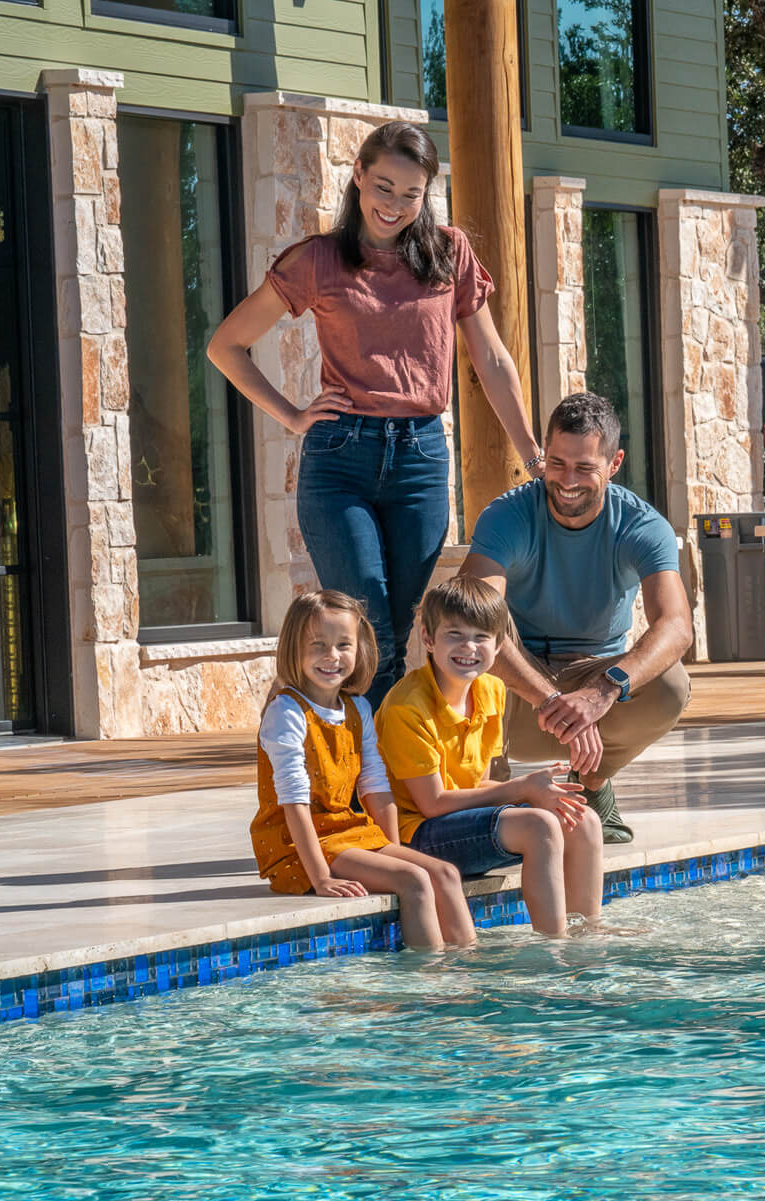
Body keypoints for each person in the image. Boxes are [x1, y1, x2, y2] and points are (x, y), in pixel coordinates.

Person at [208, 120, 541, 706]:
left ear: (426, 194)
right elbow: (226, 345)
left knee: (399, 624)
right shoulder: (318, 259)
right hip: (341, 460)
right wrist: (292, 415)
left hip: (420, 459)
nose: (394, 205)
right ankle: (370, 755)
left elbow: (490, 359)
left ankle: (364, 751)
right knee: (369, 625)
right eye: (383, 186)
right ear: (359, 175)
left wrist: (532, 453)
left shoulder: (448, 253)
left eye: (411, 193)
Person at [460, 391, 694, 844]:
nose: (567, 480)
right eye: (557, 463)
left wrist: (602, 692)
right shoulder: (507, 515)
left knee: (670, 684)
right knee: (472, 637)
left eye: (584, 467)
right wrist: (550, 698)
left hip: (593, 675)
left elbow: (676, 626)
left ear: (614, 462)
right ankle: (492, 797)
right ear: (544, 455)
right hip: (517, 686)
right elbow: (470, 614)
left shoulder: (642, 525)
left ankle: (592, 781)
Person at [375, 578, 604, 936]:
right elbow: (432, 804)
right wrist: (522, 789)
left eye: (481, 636)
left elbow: (476, 784)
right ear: (428, 639)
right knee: (538, 826)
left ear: (498, 646)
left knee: (583, 819)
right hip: (415, 834)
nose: (469, 647)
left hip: (461, 821)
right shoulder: (407, 707)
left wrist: (539, 793)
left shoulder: (492, 690)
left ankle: (587, 934)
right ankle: (554, 945)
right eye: (454, 634)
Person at [249, 589, 475, 951]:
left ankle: (468, 970)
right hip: (297, 845)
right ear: (293, 648)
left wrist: (392, 851)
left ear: (360, 648)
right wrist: (321, 878)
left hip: (347, 832)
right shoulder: (286, 712)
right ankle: (430, 977)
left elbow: (375, 786)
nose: (332, 656)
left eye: (344, 645)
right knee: (414, 880)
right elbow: (293, 801)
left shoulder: (357, 708)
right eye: (318, 645)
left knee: (445, 874)